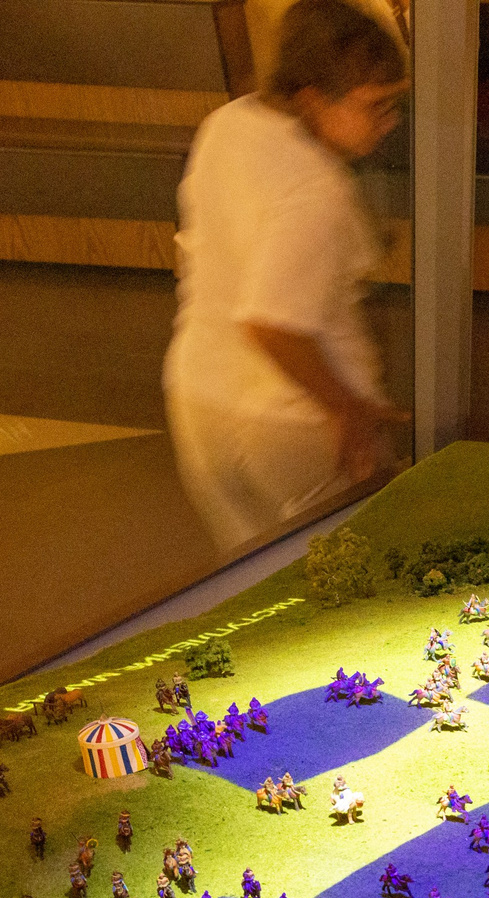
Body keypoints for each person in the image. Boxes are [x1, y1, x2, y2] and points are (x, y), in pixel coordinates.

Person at [162, 0, 407, 557]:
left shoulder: (230, 123)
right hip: (290, 426)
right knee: (343, 581)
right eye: (376, 105)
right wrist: (348, 410)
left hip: (198, 401)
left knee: (254, 583)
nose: (389, 122)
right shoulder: (317, 192)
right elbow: (272, 324)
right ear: (313, 98)